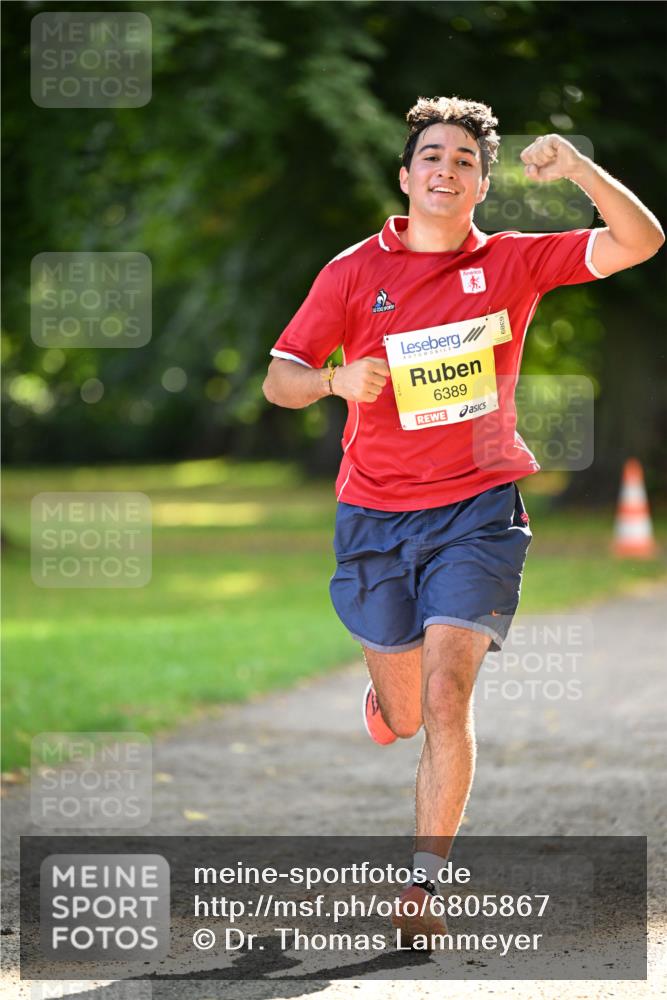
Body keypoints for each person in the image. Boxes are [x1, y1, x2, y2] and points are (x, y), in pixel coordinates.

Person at [262, 95, 663, 945]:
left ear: (482, 186)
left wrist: (581, 168)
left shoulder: (513, 263)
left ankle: (421, 885)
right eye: (433, 157)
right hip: (372, 514)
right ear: (407, 176)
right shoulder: (351, 273)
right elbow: (281, 377)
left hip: (477, 512)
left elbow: (641, 242)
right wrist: (334, 383)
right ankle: (385, 698)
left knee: (448, 696)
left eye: (466, 163)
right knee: (407, 712)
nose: (447, 170)